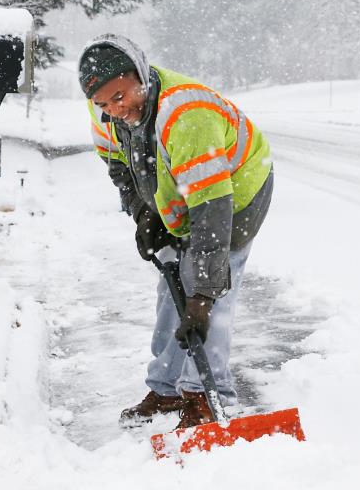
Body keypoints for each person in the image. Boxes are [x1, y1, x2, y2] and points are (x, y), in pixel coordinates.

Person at [79, 34, 274, 430]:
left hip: (235, 194)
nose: (115, 110)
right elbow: (120, 166)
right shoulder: (104, 107)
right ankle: (167, 389)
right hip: (184, 189)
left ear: (141, 77)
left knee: (209, 293)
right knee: (171, 288)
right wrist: (143, 213)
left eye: (121, 97)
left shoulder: (187, 115)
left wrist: (202, 296)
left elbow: (211, 212)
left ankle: (208, 396)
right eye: (104, 103)